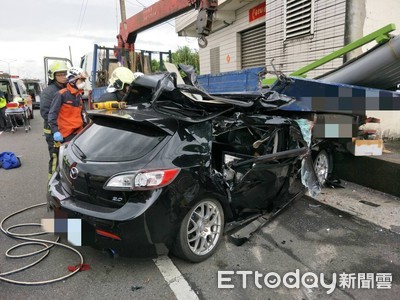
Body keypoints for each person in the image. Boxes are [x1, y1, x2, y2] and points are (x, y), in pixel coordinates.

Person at [40, 60, 68, 178]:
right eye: (60, 74)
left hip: (66, 129)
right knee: (55, 157)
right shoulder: (48, 92)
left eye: (64, 74)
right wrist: (56, 129)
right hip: (53, 131)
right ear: (53, 76)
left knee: (65, 157)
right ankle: (51, 182)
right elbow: (45, 113)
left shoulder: (68, 89)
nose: (63, 77)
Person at [48, 67, 88, 145]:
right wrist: (55, 131)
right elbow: (52, 114)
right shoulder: (61, 94)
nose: (83, 82)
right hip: (66, 135)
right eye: (81, 80)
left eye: (84, 80)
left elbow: (80, 115)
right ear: (72, 80)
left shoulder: (79, 95)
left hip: (78, 132)